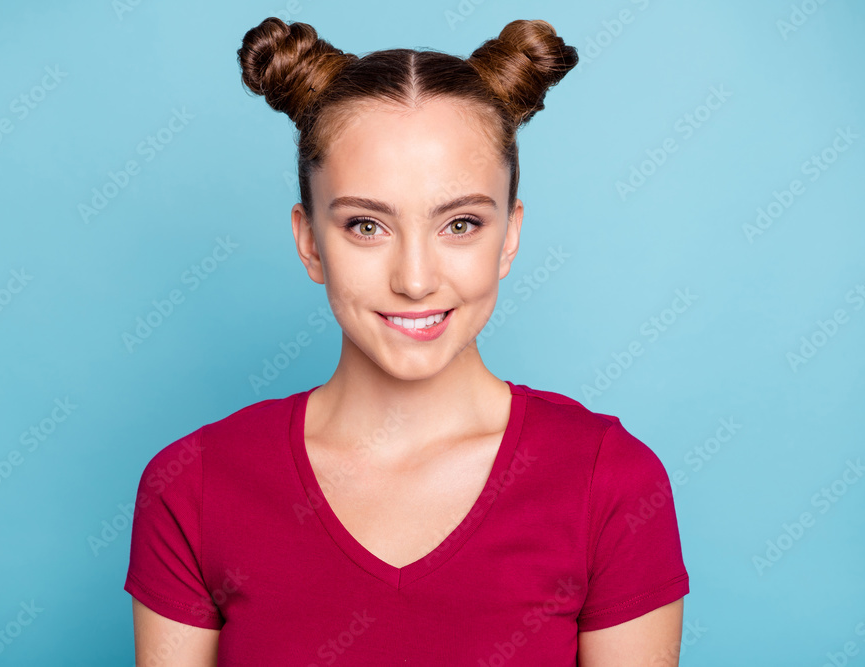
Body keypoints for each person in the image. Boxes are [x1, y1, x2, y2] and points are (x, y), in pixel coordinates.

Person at [124, 16, 689, 666]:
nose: (415, 279)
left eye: (461, 223)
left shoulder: (610, 483)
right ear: (310, 241)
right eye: (366, 225)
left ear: (509, 236)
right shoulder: (193, 486)